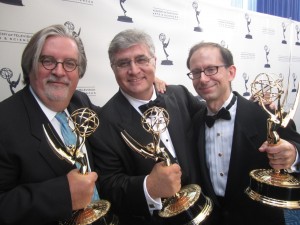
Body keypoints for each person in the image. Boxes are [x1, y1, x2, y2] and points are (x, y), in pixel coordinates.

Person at [91, 29, 205, 225]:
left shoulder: (180, 95)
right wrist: (149, 187)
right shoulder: (103, 122)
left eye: (141, 59)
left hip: (203, 211)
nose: (134, 70)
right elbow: (109, 186)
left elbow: (214, 119)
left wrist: (259, 108)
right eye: (123, 63)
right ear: (113, 68)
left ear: (154, 61)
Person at [0, 24, 106, 225]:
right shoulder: (4, 122)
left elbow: (115, 118)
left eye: (69, 63)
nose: (59, 71)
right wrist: (62, 194)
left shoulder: (80, 102)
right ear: (30, 65)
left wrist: (142, 85)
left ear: (79, 72)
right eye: (48, 61)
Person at [186, 41, 300, 225]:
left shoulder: (266, 115)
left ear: (231, 72)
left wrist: (294, 155)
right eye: (196, 72)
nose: (203, 79)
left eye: (211, 69)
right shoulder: (193, 123)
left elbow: (297, 148)